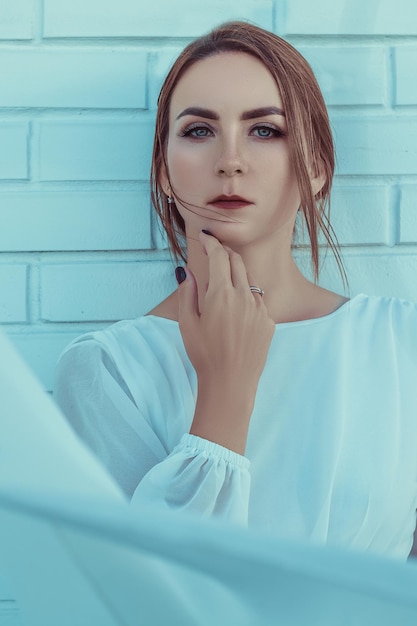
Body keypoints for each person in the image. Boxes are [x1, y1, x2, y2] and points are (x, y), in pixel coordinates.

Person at [54, 21, 417, 561]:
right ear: (163, 172)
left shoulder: (401, 344)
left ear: (315, 168)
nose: (230, 161)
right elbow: (151, 596)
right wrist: (225, 390)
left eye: (265, 130)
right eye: (199, 131)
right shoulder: (104, 373)